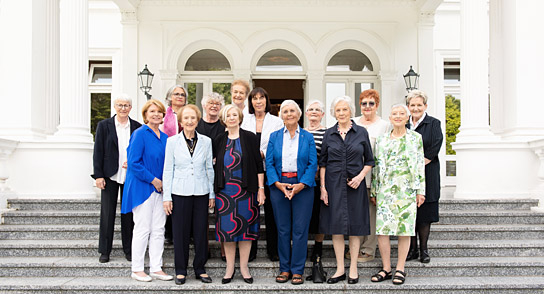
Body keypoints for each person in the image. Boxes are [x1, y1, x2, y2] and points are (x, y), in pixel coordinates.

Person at [319, 96, 374, 285]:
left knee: (355, 227)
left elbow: (370, 161)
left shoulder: (361, 132)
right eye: (338, 110)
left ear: (351, 111)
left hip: (355, 186)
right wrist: (323, 188)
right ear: (334, 113)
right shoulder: (329, 134)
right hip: (333, 186)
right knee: (336, 228)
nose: (341, 113)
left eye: (344, 109)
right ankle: (340, 268)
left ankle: (353, 268)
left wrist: (360, 177)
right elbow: (323, 163)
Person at [370, 104, 425, 285]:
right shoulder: (382, 139)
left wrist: (420, 191)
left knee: (405, 230)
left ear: (407, 117)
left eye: (402, 113)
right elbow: (376, 166)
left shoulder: (416, 138)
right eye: (395, 113)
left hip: (407, 189)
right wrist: (374, 190)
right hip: (385, 190)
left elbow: (419, 166)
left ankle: (400, 268)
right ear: (390, 117)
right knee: (382, 230)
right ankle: (386, 268)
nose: (398, 116)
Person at [162, 104, 215, 285]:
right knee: (180, 233)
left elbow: (209, 168)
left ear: (198, 120)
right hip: (179, 192)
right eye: (186, 118)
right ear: (181, 121)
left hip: (201, 192)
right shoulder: (171, 142)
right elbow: (168, 170)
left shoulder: (207, 141)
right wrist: (167, 197)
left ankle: (200, 268)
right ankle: (181, 270)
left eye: (193, 118)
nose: (190, 121)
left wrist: (212, 194)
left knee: (201, 232)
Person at [266, 100, 317, 285]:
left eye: (292, 111)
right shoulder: (274, 136)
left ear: (299, 114)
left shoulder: (307, 137)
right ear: (281, 115)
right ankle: (284, 269)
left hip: (302, 187)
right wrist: (278, 184)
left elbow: (313, 164)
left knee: (300, 231)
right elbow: (269, 163)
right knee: (283, 229)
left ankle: (297, 270)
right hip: (279, 187)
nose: (289, 114)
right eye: (285, 111)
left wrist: (301, 184)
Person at [213, 105, 266, 284]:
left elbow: (259, 165)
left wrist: (260, 190)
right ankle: (229, 268)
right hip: (224, 194)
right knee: (227, 233)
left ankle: (244, 267)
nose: (232, 117)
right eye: (228, 115)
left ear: (240, 117)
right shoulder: (219, 140)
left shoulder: (250, 137)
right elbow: (213, 164)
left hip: (246, 192)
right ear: (224, 118)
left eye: (235, 114)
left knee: (245, 232)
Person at [121, 99, 172, 282]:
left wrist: (163, 183)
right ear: (145, 115)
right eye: (152, 111)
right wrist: (153, 180)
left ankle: (156, 267)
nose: (156, 114)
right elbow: (133, 162)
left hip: (160, 190)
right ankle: (137, 268)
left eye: (159, 112)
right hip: (143, 188)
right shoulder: (139, 134)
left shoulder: (165, 138)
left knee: (158, 229)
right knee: (142, 228)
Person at [93, 95, 141, 263]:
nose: (123, 108)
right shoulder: (104, 126)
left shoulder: (137, 126)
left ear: (130, 107)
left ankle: (129, 250)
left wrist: (134, 162)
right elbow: (98, 151)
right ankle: (104, 251)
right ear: (115, 106)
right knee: (107, 214)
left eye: (126, 105)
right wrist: (98, 175)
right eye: (120, 105)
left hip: (130, 176)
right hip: (109, 174)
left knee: (128, 214)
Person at [241, 87, 284, 262]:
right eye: (254, 98)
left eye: (261, 98)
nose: (258, 101)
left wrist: (264, 153)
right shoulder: (245, 120)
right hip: (249, 170)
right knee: (250, 211)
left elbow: (279, 144)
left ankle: (273, 250)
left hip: (270, 170)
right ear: (250, 102)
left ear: (267, 100)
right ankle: (250, 252)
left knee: (273, 212)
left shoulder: (276, 121)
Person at [349, 89, 391, 263]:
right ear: (360, 105)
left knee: (372, 214)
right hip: (353, 178)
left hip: (373, 177)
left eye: (371, 103)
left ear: (377, 105)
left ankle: (368, 249)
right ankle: (355, 248)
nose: (367, 107)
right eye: (364, 103)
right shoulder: (353, 123)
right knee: (355, 214)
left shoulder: (384, 125)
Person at [406, 90, 444, 263]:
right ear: (408, 107)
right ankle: (411, 249)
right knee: (410, 214)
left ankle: (424, 250)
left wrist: (416, 165)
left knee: (425, 214)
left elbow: (433, 149)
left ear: (425, 106)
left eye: (419, 105)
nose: (415, 108)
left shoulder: (433, 124)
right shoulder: (403, 124)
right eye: (412, 105)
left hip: (427, 173)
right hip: (406, 176)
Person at [161, 84, 188, 245]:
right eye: (176, 94)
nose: (179, 97)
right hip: (168, 158)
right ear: (170, 97)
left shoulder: (189, 114)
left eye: (182, 94)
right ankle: (169, 232)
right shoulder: (164, 115)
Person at [303, 100, 327, 263]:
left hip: (320, 181)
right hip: (302, 181)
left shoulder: (327, 133)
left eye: (317, 110)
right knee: (303, 216)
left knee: (320, 216)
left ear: (322, 114)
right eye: (310, 109)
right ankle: (302, 246)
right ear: (306, 113)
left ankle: (318, 247)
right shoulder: (300, 132)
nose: (313, 112)